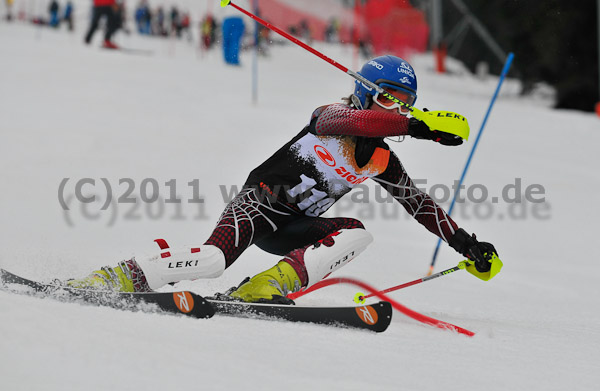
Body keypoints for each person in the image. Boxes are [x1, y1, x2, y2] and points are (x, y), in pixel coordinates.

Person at [67, 56, 501, 302]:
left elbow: (418, 204)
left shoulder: (382, 160)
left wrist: (467, 243)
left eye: (403, 104)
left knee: (356, 234)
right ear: (367, 92)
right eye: (386, 97)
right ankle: (116, 277)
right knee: (212, 262)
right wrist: (415, 126)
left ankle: (263, 288)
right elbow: (355, 122)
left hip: (291, 229)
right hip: (258, 205)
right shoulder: (330, 116)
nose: (394, 110)